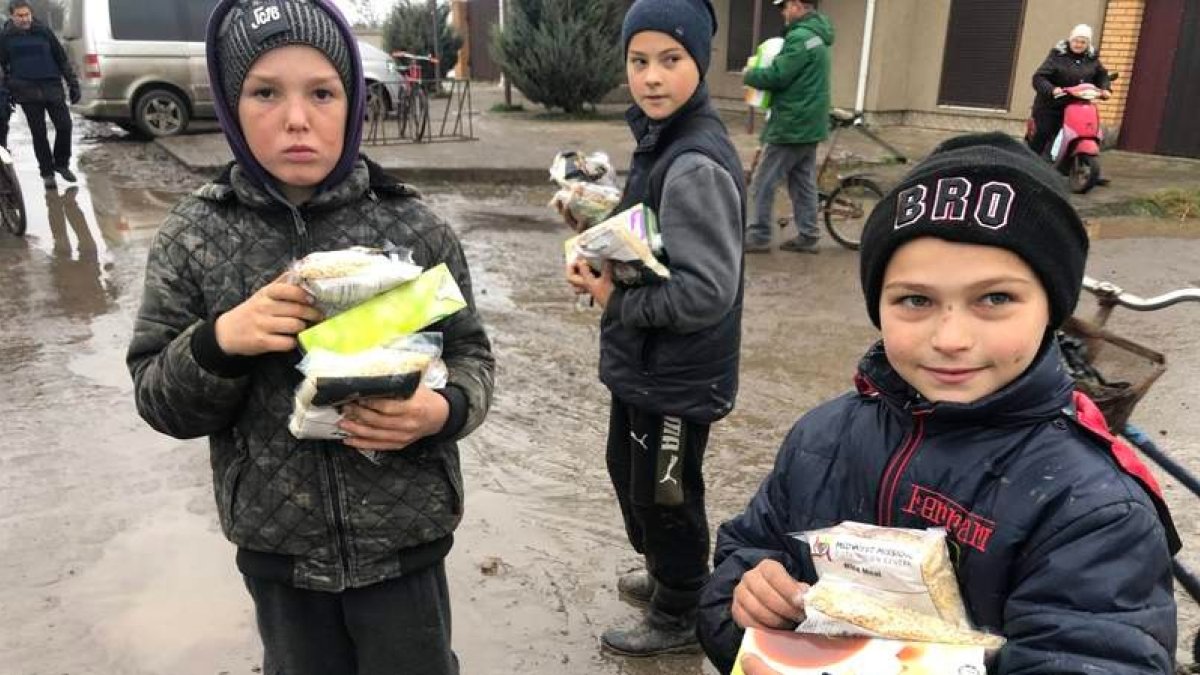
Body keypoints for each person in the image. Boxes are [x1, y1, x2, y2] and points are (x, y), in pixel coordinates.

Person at [697, 133, 1179, 675]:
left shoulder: (1092, 509)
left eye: (994, 298)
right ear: (878, 305)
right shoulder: (821, 438)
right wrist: (747, 600)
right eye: (916, 300)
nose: (950, 337)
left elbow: (1100, 657)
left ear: (1051, 308)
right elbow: (741, 562)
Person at [126, 1, 494, 673]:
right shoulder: (194, 236)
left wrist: (440, 412)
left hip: (404, 543)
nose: (297, 119)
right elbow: (158, 398)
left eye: (322, 92)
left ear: (353, 101)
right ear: (231, 104)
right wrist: (220, 342)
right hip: (280, 555)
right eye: (265, 92)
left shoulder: (414, 228)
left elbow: (470, 353)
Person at [564, 0, 745, 657]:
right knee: (632, 473)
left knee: (666, 492)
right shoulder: (659, 138)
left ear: (698, 62)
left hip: (678, 371)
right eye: (639, 61)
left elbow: (705, 292)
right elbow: (649, 232)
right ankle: (674, 573)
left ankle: (679, 609)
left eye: (671, 59)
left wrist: (615, 297)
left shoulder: (694, 160)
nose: (652, 76)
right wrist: (599, 239)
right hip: (647, 364)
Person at [742, 0, 833, 255]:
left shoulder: (800, 38)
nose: (782, 13)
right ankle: (808, 235)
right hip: (809, 123)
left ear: (796, 5)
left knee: (762, 182)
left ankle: (759, 235)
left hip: (792, 124)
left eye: (784, 7)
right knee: (802, 182)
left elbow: (778, 76)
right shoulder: (818, 36)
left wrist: (750, 74)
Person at [0, 0, 79, 189]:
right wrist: (7, 91)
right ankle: (47, 173)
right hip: (26, 90)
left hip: (51, 86)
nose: (25, 19)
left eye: (27, 14)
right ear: (12, 16)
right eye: (20, 16)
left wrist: (72, 83)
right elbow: (2, 67)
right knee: (39, 134)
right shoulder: (5, 37)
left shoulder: (44, 32)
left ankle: (61, 164)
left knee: (65, 125)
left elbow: (61, 58)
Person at [1027, 23, 1111, 158]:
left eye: (1083, 42)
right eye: (1076, 41)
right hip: (1052, 106)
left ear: (1087, 44)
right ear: (1070, 40)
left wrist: (1105, 89)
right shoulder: (1057, 56)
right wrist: (1052, 90)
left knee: (1084, 130)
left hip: (1078, 106)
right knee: (1044, 132)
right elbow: (1039, 77)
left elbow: (1102, 75)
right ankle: (1031, 163)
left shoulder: (1091, 59)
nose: (1078, 44)